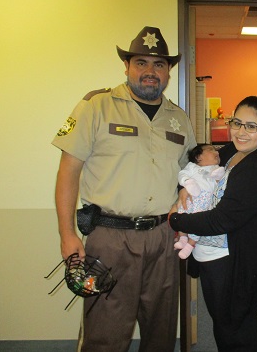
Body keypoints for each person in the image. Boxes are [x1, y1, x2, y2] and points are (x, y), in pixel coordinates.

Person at [52, 26, 196, 352]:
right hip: (110, 238)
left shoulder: (179, 119)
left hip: (164, 237)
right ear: (127, 67)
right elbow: (68, 172)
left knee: (161, 331)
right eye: (141, 62)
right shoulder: (97, 106)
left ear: (168, 72)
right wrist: (67, 234)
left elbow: (189, 175)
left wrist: (183, 214)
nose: (150, 72)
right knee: (105, 332)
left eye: (159, 64)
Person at [170, 95, 257, 352]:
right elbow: (199, 167)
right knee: (226, 324)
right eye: (236, 123)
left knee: (237, 334)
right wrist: (184, 189)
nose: (241, 132)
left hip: (237, 263)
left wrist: (175, 219)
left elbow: (221, 219)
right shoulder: (234, 151)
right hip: (216, 256)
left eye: (252, 126)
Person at [174, 144, 226, 259]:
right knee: (183, 213)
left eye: (216, 150)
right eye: (211, 150)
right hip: (191, 197)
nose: (216, 152)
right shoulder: (192, 167)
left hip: (205, 201)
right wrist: (186, 182)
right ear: (198, 157)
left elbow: (220, 185)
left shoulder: (217, 169)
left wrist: (218, 176)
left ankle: (190, 245)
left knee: (198, 222)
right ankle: (182, 238)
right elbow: (182, 174)